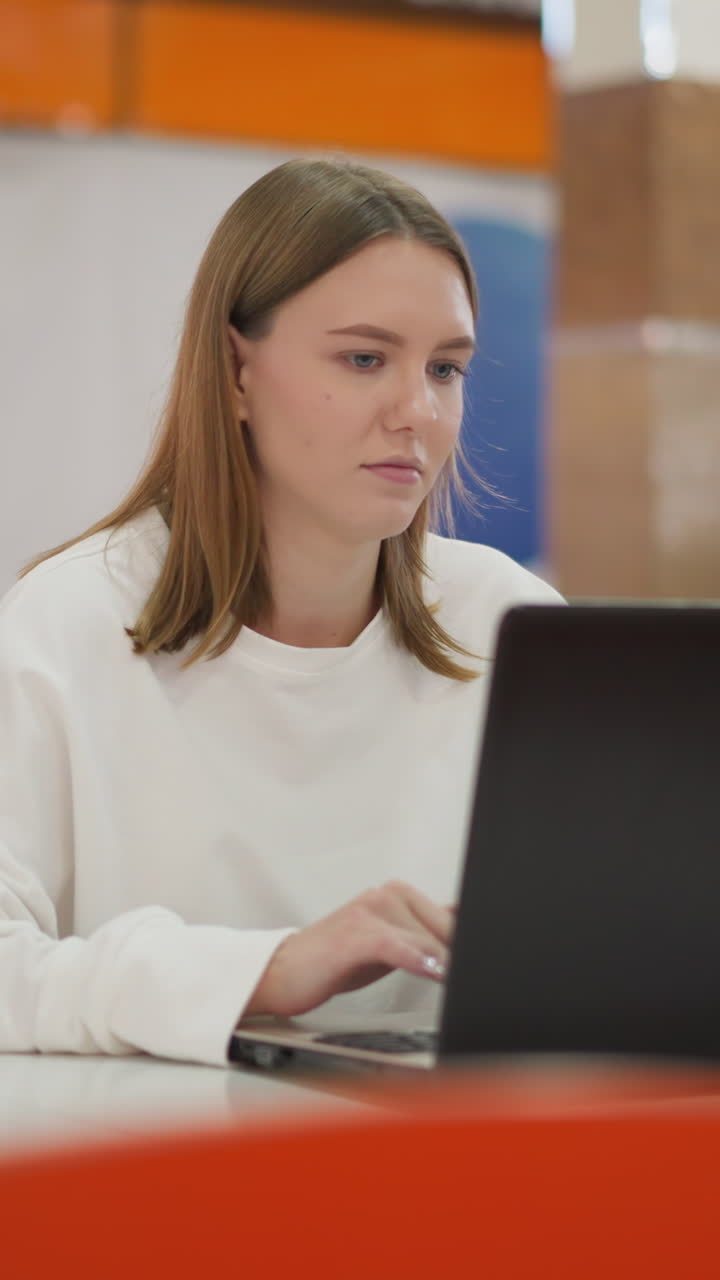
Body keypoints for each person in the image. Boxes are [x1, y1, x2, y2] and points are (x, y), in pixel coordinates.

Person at [0, 157, 562, 1066]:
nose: (417, 411)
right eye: (365, 358)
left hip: (464, 1170)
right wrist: (264, 972)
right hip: (165, 1180)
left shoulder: (511, 622)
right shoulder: (65, 624)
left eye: (447, 368)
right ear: (233, 371)